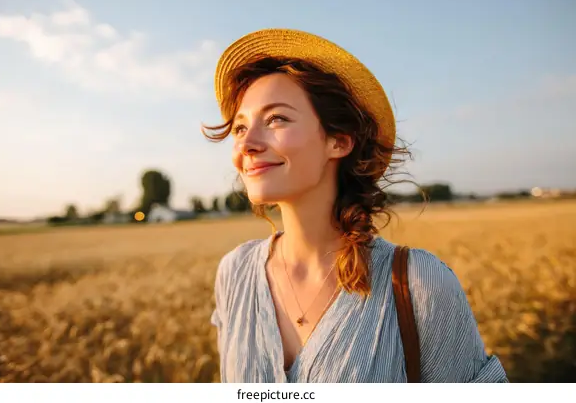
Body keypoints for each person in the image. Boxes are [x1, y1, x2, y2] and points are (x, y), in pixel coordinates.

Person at [203, 28, 509, 383]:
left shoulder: (421, 284)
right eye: (240, 128)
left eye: (276, 119)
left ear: (339, 141)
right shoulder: (234, 274)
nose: (248, 144)